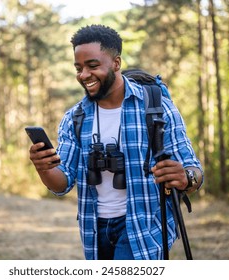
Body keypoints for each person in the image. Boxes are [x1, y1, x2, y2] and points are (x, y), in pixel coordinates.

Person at [28, 24, 203, 260]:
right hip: (94, 230)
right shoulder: (74, 118)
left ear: (116, 63)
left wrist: (185, 177)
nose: (83, 75)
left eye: (92, 66)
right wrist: (44, 168)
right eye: (78, 68)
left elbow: (194, 170)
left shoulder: (156, 107)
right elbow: (62, 184)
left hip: (144, 227)